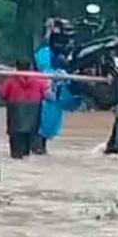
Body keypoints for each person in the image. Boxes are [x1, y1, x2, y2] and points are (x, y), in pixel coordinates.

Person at [0, 60, 54, 160]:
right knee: (27, 158)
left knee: (16, 157)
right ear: (31, 67)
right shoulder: (40, 82)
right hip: (32, 129)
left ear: (16, 68)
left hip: (15, 128)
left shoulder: (10, 82)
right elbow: (52, 98)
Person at [32, 18, 80, 155]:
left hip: (53, 95)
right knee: (41, 127)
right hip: (47, 94)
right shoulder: (46, 57)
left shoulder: (60, 59)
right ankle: (38, 148)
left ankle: (39, 148)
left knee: (45, 127)